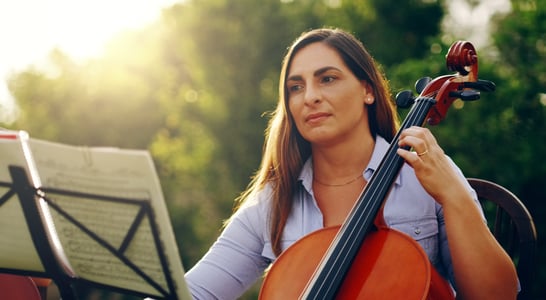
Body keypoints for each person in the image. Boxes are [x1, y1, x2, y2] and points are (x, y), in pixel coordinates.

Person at [184, 28, 518, 299]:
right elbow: (194, 292)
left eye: (326, 79)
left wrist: (454, 196)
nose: (309, 96)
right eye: (295, 87)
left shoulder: (424, 176)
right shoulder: (274, 201)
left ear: (367, 91)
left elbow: (498, 295)